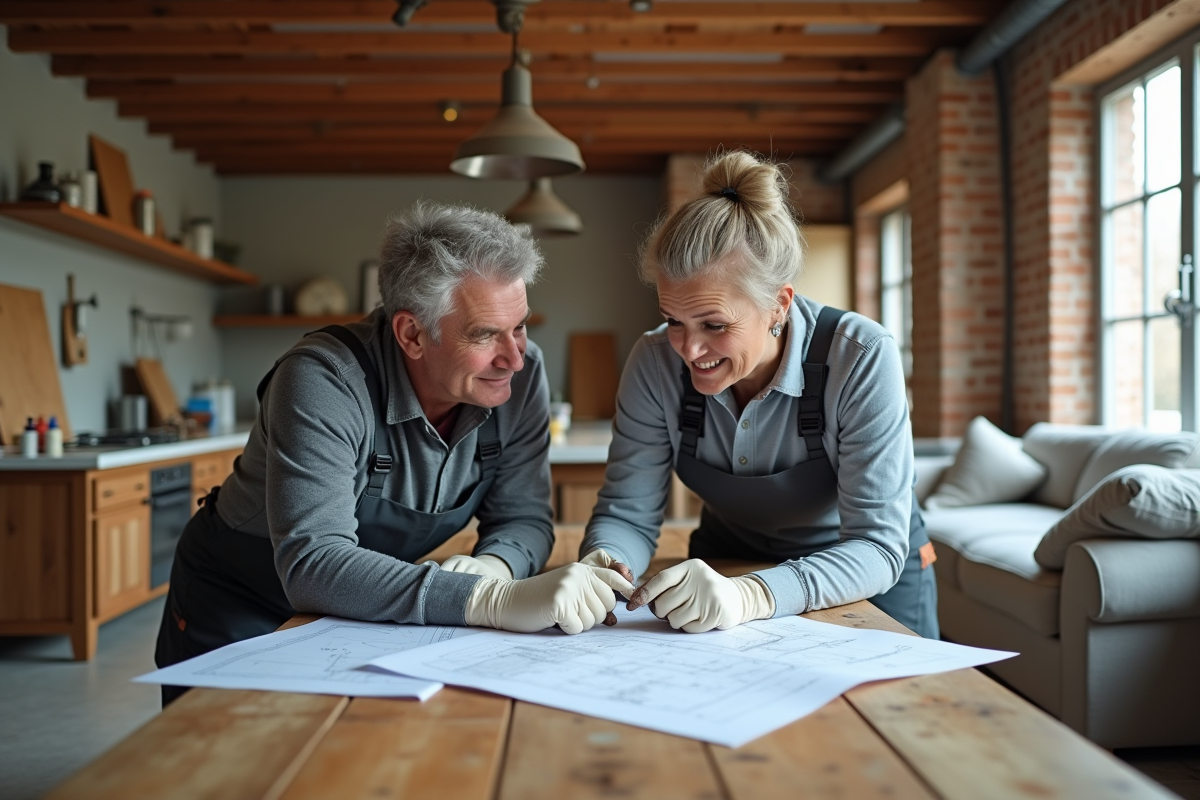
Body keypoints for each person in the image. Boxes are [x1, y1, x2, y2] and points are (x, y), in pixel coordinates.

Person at [156, 202, 633, 704]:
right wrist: (490, 599)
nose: (513, 357)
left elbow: (524, 517)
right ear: (412, 334)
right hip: (240, 599)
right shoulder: (322, 379)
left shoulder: (522, 372)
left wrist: (497, 566)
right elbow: (314, 562)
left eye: (520, 326)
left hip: (358, 607)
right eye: (486, 334)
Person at [580, 151, 938, 639]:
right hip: (728, 562)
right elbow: (627, 510)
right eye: (673, 322)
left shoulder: (860, 355)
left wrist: (751, 595)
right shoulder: (654, 361)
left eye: (715, 324)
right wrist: (605, 564)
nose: (689, 349)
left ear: (779, 305)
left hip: (862, 577)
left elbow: (875, 546)